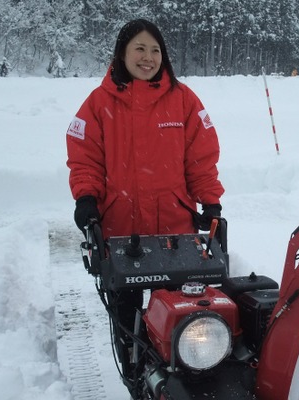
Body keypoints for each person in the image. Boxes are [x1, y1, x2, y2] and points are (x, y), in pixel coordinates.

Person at [65, 18, 224, 390]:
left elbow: (201, 159)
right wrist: (86, 199)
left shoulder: (184, 100)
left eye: (155, 50)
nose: (148, 57)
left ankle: (182, 373)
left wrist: (211, 203)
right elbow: (84, 158)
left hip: (176, 231)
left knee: (181, 312)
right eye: (139, 48)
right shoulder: (98, 103)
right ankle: (136, 377)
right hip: (121, 232)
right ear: (122, 53)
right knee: (126, 314)